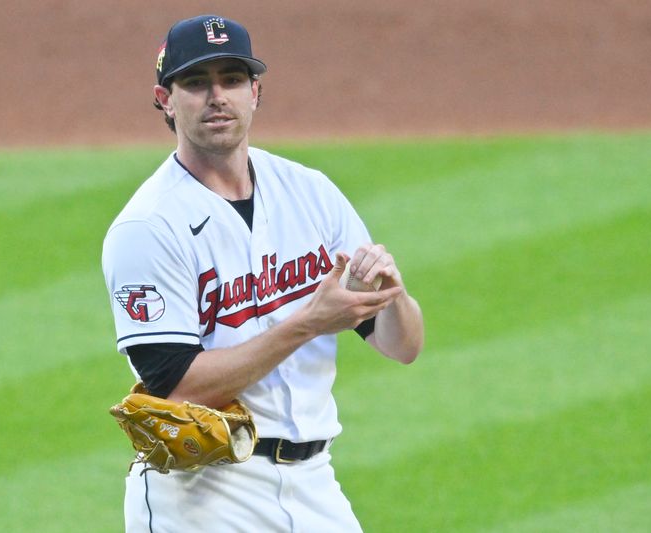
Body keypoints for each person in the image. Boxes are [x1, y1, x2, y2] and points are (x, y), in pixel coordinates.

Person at [102, 14, 424, 533]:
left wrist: (394, 295)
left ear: (256, 92)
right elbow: (175, 386)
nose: (217, 96)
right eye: (196, 82)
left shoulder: (310, 191)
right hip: (204, 497)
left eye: (231, 79)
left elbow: (402, 346)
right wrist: (309, 323)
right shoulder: (148, 226)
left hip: (316, 486)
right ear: (165, 99)